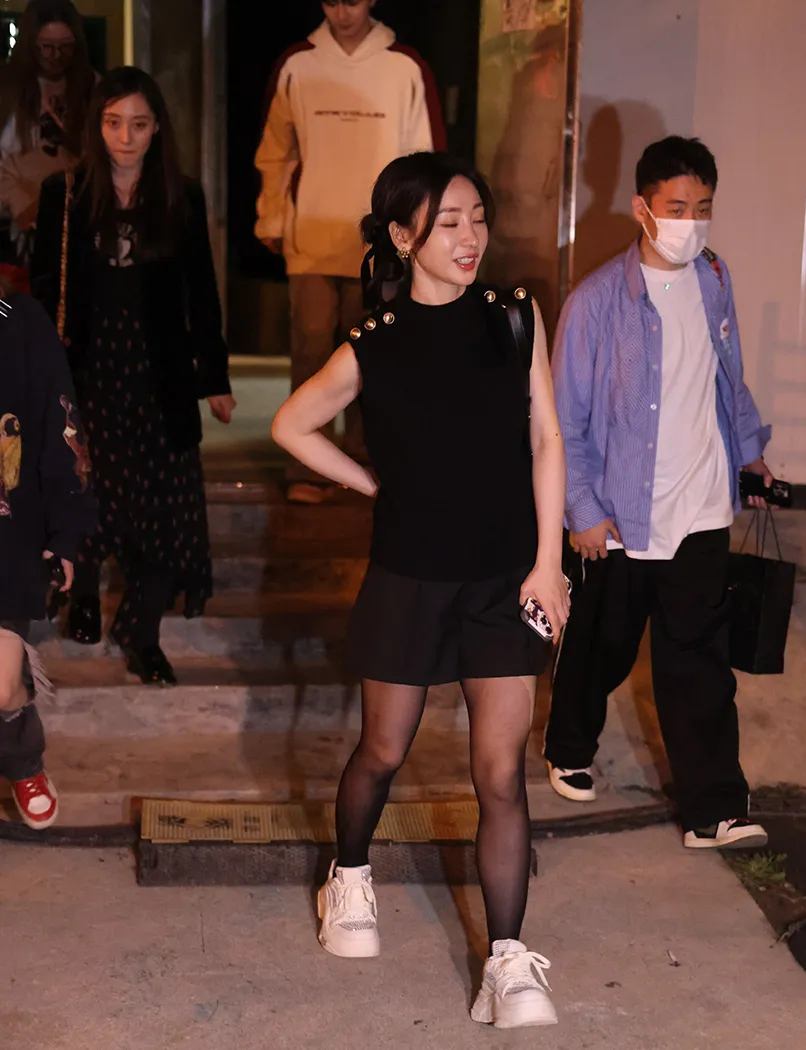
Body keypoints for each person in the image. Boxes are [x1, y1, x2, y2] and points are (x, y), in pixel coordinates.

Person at [272, 151, 567, 1029]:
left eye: (478, 218)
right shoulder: (377, 339)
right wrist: (371, 484)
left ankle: (507, 961)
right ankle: (349, 874)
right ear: (403, 237)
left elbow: (547, 439)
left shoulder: (514, 314)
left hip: (504, 576)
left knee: (500, 772)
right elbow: (292, 424)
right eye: (448, 223)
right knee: (383, 750)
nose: (471, 237)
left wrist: (548, 563)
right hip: (407, 576)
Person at [545, 135, 772, 851]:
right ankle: (568, 745)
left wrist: (751, 454)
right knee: (603, 646)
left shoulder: (714, 278)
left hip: (700, 505)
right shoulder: (595, 302)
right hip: (621, 514)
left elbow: (727, 378)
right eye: (677, 208)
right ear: (641, 209)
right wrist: (582, 510)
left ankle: (715, 809)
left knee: (698, 660)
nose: (691, 223)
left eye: (703, 208)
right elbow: (563, 421)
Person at [31, 67, 235, 686]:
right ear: (96, 126)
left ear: (157, 129)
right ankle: (84, 595)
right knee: (90, 486)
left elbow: (201, 291)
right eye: (114, 122)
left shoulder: (180, 196)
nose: (126, 137)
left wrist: (215, 375)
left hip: (158, 371)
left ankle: (141, 631)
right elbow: (45, 291)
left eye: (139, 124)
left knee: (163, 505)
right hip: (89, 369)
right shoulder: (66, 194)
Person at [256, 0, 446, 505]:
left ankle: (370, 463)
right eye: (334, 1)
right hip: (313, 233)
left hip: (382, 238)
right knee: (311, 351)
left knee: (377, 351)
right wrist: (271, 218)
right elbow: (276, 152)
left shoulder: (403, 66)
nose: (343, 11)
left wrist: (421, 229)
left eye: (354, 0)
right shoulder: (299, 64)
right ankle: (308, 467)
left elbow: (424, 159)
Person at [1, 282, 96, 829]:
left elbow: (62, 431)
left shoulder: (17, 318)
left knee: (1, 686)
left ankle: (21, 759)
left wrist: (64, 534)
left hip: (6, 532)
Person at [0, 0, 96, 292]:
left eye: (65, 47)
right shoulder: (7, 90)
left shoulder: (92, 88)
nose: (56, 56)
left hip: (72, 223)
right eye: (47, 47)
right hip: (12, 230)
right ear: (31, 44)